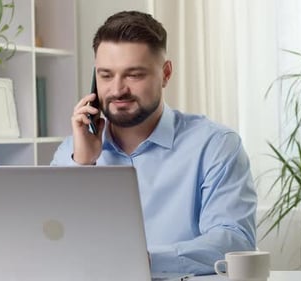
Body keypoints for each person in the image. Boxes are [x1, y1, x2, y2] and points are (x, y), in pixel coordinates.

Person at [50, 11, 257, 275]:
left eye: (133, 75)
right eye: (105, 75)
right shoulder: (72, 151)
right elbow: (55, 239)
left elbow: (234, 241)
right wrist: (83, 164)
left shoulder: (216, 146)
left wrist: (144, 261)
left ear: (166, 74)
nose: (117, 90)